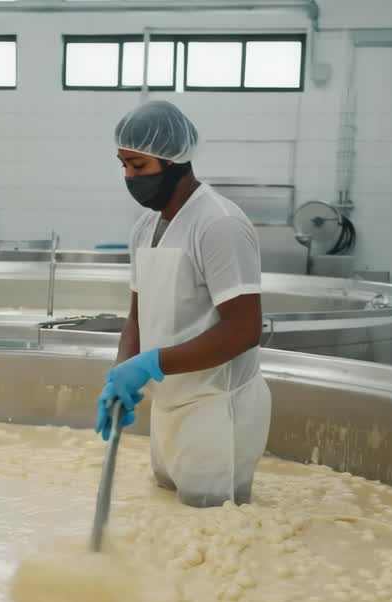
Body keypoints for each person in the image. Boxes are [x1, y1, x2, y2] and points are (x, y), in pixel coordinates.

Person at [95, 100, 271, 509]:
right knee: (167, 522)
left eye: (138, 166)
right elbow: (138, 314)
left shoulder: (219, 224)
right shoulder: (145, 228)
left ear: (174, 161)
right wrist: (123, 372)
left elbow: (244, 330)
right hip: (169, 404)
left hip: (216, 410)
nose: (128, 177)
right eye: (123, 165)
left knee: (214, 535)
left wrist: (150, 364)